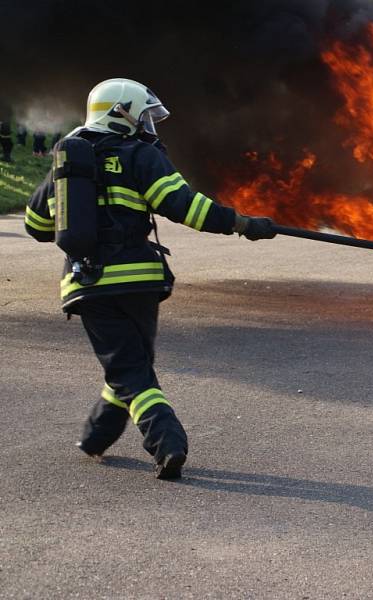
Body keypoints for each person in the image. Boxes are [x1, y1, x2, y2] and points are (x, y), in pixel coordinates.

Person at [24, 78, 276, 479]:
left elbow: (36, 224)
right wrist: (243, 223)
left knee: (127, 368)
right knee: (132, 365)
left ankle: (147, 439)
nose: (147, 124)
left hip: (89, 286)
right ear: (120, 112)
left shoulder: (67, 162)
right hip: (140, 280)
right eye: (143, 115)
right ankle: (125, 438)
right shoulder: (140, 156)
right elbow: (185, 206)